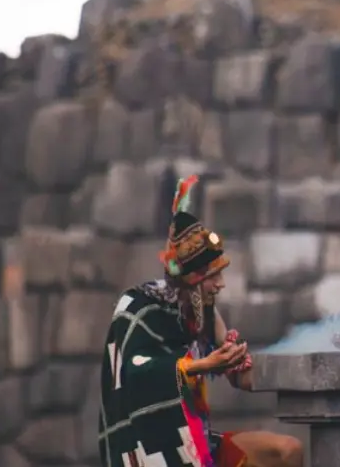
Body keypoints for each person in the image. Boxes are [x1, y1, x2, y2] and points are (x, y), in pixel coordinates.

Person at [98, 175, 303, 467]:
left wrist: (299, 371)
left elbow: (241, 376)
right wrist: (204, 365)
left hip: (200, 444)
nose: (220, 284)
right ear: (192, 280)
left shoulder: (204, 311)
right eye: (212, 277)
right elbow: (139, 370)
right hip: (156, 450)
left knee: (288, 451)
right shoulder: (139, 307)